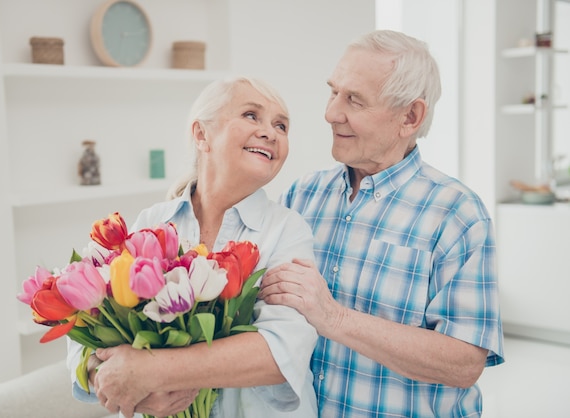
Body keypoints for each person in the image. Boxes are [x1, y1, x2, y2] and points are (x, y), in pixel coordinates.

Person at [258, 29, 505, 417]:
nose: (330, 113)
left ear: (410, 116)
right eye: (334, 91)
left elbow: (464, 362)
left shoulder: (457, 213)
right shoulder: (301, 196)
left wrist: (334, 317)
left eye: (354, 100)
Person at [66, 76, 318, 418]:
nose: (270, 132)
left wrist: (150, 371)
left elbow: (280, 353)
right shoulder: (150, 223)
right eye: (251, 115)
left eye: (281, 125)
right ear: (202, 135)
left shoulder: (288, 231)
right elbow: (86, 329)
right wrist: (106, 375)